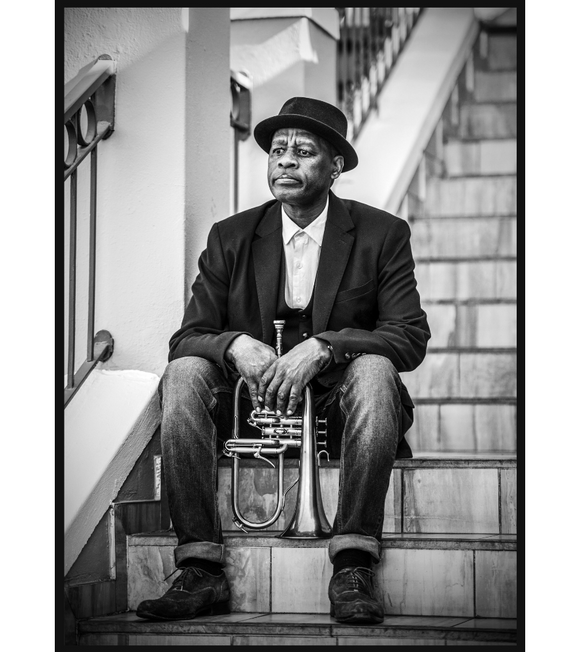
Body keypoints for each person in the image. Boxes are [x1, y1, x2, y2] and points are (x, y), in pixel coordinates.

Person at [136, 97, 430, 624]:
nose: (286, 161)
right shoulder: (230, 237)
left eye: (303, 151)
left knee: (376, 366)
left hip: (343, 413)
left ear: (335, 166)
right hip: (254, 411)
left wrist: (326, 346)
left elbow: (409, 337)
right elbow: (186, 339)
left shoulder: (383, 234)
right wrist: (233, 345)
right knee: (184, 373)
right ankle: (200, 568)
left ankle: (353, 563)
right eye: (278, 151)